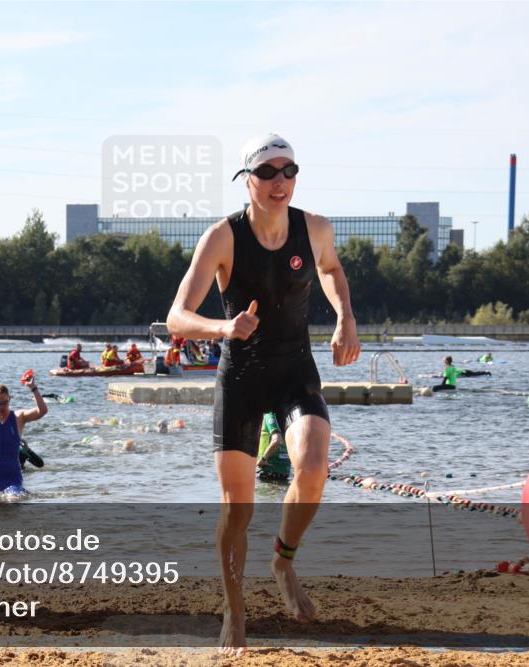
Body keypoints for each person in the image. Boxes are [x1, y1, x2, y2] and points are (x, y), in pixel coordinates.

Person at [167, 132, 360, 656]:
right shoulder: (222, 238)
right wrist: (224, 328)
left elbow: (332, 270)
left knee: (314, 469)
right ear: (247, 179)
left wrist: (345, 318)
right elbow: (176, 316)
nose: (281, 182)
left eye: (289, 171)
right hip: (242, 380)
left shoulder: (314, 228)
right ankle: (234, 609)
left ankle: (283, 560)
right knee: (238, 508)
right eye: (269, 172)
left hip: (296, 372)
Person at [256, 412, 290, 483]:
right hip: (285, 470)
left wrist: (263, 459)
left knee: (265, 493)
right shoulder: (287, 415)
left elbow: (276, 440)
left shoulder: (270, 415)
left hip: (270, 468)